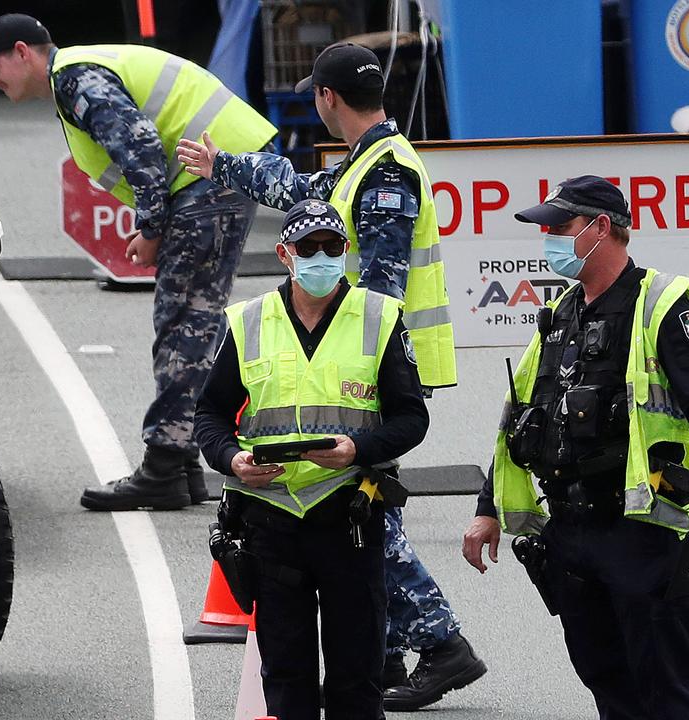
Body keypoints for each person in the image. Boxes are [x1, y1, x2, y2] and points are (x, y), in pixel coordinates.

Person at [178, 41, 482, 713]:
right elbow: (300, 189)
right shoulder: (364, 162)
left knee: (359, 507)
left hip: (366, 364)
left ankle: (439, 643)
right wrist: (222, 165)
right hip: (348, 361)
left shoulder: (385, 173)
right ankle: (400, 647)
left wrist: (354, 349)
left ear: (325, 98)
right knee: (359, 508)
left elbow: (378, 281)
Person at [0, 14, 277, 510]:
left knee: (183, 324)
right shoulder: (79, 74)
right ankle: (183, 459)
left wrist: (151, 229)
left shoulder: (75, 77)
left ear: (23, 51)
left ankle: (165, 466)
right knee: (190, 322)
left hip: (209, 178)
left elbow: (142, 145)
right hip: (216, 175)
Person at [461, 176, 689, 719]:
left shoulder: (659, 306)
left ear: (601, 227)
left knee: (668, 692)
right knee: (610, 689)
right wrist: (487, 507)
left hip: (640, 532)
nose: (549, 240)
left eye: (559, 228)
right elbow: (522, 419)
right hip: (572, 533)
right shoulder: (562, 313)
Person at [194, 199, 429, 720]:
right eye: (309, 248)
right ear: (285, 254)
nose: (322, 258)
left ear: (346, 252)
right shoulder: (249, 321)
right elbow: (209, 416)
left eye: (332, 247)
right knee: (287, 679)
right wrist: (233, 461)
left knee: (356, 678)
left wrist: (358, 450)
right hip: (271, 523)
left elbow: (411, 418)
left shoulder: (379, 317)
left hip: (349, 517)